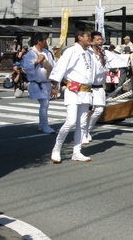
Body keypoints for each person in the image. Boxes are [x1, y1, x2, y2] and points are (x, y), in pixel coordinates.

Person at [49, 28, 97, 163]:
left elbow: (97, 70)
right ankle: (57, 148)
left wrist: (101, 55)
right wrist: (54, 86)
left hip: (86, 91)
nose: (90, 38)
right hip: (73, 89)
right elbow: (60, 68)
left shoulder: (90, 53)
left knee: (82, 123)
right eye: (88, 36)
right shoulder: (71, 51)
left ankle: (77, 152)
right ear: (79, 38)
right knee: (70, 121)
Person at [23, 33, 56, 134]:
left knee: (45, 104)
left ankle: (42, 125)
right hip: (37, 83)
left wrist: (54, 83)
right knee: (44, 104)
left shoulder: (47, 52)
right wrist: (37, 61)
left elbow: (53, 67)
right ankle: (45, 126)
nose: (46, 43)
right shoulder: (31, 53)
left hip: (46, 83)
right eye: (45, 41)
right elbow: (27, 68)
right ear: (39, 41)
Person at [81, 31, 108, 145]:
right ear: (92, 41)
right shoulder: (88, 54)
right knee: (85, 112)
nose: (100, 41)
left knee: (99, 110)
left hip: (99, 87)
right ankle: (82, 134)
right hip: (88, 87)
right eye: (97, 39)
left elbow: (116, 59)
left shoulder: (104, 53)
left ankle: (88, 130)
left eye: (101, 39)